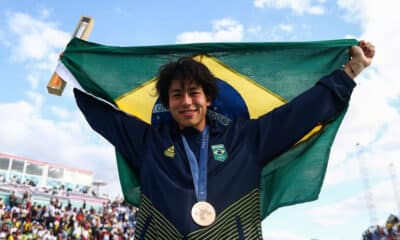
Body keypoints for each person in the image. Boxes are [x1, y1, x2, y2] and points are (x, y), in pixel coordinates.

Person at [73, 41, 375, 239]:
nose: (186, 102)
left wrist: (350, 71)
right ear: (167, 102)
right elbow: (105, 117)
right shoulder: (149, 142)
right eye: (177, 95)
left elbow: (299, 114)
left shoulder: (246, 139)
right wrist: (70, 74)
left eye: (194, 93)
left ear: (208, 98)